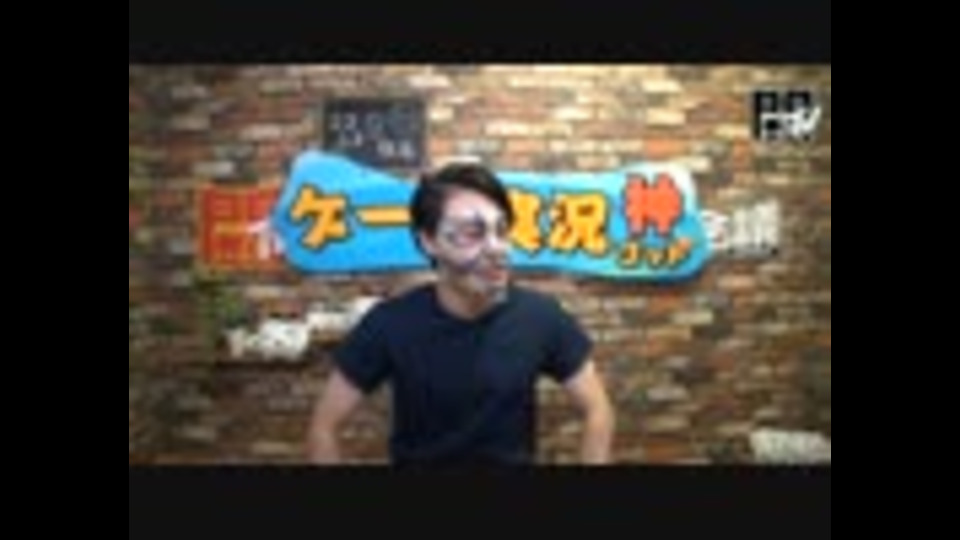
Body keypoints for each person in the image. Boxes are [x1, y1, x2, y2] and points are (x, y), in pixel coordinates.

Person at [306, 162, 615, 465]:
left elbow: (598, 410)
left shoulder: (541, 317)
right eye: (472, 233)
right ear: (429, 241)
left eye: (501, 231)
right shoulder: (390, 323)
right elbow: (324, 426)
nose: (496, 249)